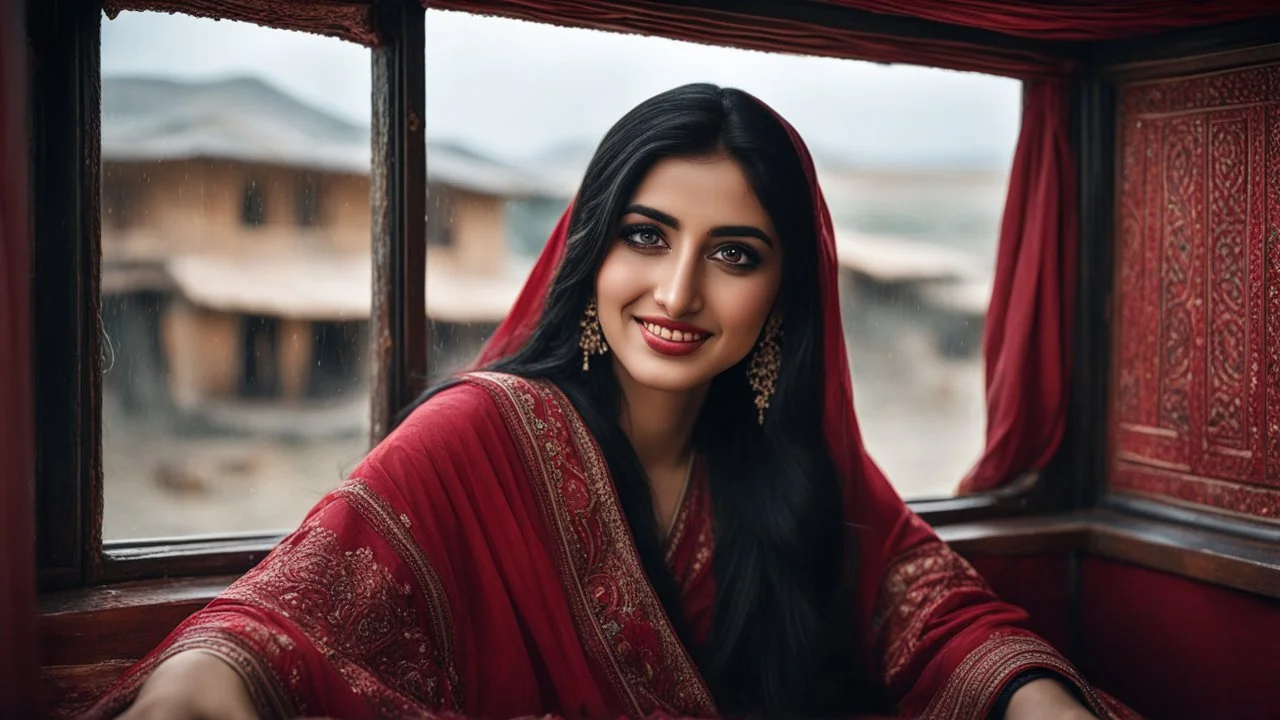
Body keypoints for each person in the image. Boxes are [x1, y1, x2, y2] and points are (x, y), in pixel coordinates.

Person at [82, 84, 1135, 720]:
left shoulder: (791, 466)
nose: (676, 293)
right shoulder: (478, 435)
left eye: (732, 253)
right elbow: (270, 628)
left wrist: (1035, 700)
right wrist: (192, 693)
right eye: (646, 236)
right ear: (590, 251)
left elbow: (937, 618)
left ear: (782, 293)